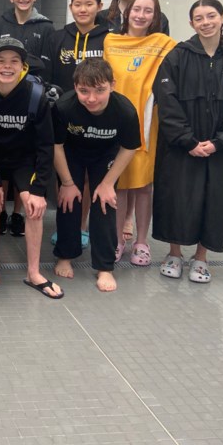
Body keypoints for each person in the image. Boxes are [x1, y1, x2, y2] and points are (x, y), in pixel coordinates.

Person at [153, 0, 223, 283]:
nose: (206, 22)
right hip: (180, 145)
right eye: (199, 18)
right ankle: (173, 252)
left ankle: (201, 257)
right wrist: (187, 140)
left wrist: (219, 142)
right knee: (175, 197)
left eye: (211, 16)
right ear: (191, 23)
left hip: (218, 149)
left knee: (214, 199)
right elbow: (166, 101)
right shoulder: (177, 57)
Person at [0, 38, 63, 298]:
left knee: (33, 207)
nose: (7, 66)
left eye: (14, 61)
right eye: (0, 61)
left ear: (23, 67)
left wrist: (38, 189)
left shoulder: (37, 97)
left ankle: (33, 272)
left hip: (25, 159)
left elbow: (46, 147)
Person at [51, 59, 140, 291]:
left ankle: (105, 267)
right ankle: (65, 255)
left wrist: (108, 183)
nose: (91, 98)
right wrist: (68, 183)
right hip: (72, 153)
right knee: (69, 202)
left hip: (105, 155)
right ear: (75, 87)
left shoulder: (125, 111)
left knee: (104, 202)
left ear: (112, 85)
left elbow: (129, 148)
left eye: (99, 90)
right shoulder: (64, 107)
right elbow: (56, 146)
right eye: (84, 91)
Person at [103, 0, 177, 267]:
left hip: (148, 121)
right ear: (127, 12)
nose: (141, 15)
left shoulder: (164, 44)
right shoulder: (111, 42)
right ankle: (118, 239)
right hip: (117, 120)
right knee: (120, 185)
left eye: (148, 11)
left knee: (144, 186)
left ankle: (142, 241)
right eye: (137, 9)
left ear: (155, 16)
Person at [0, 0, 57, 236]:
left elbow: (46, 64)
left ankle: (17, 214)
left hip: (29, 97)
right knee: (0, 151)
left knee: (24, 154)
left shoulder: (46, 27)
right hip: (2, 95)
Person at [45, 0, 114, 248]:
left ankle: (82, 224)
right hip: (64, 113)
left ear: (99, 6)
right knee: (63, 171)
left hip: (98, 115)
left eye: (88, 4)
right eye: (77, 4)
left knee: (86, 176)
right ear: (70, 7)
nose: (83, 9)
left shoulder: (110, 37)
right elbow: (49, 74)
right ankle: (66, 224)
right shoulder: (58, 37)